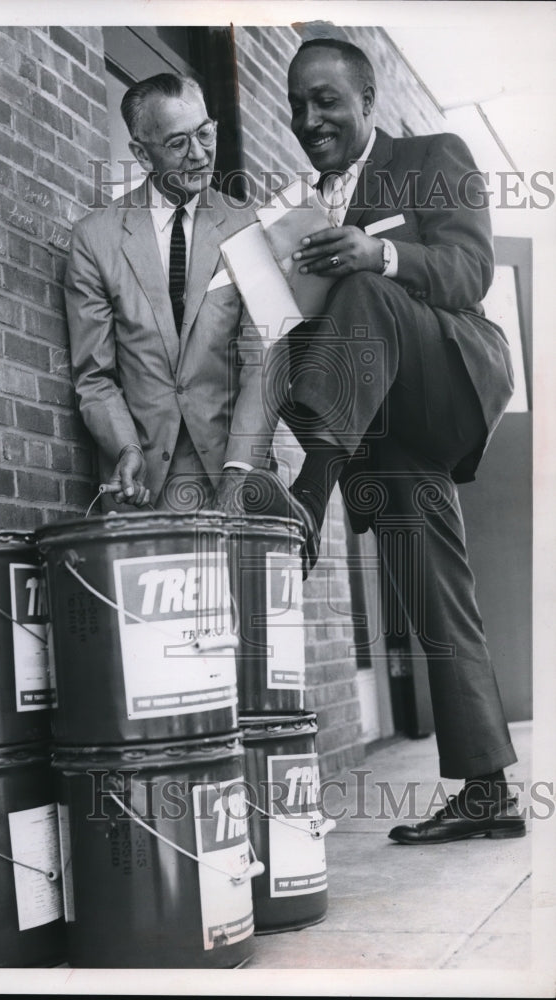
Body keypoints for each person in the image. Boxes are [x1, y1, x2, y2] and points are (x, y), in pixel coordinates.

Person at [244, 38, 526, 844]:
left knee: (363, 286)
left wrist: (380, 251)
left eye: (326, 99)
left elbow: (470, 272)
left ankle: (312, 494)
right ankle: (485, 790)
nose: (309, 118)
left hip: (449, 375)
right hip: (381, 421)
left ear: (367, 97)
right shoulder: (306, 204)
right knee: (432, 587)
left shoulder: (432, 155)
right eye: (297, 105)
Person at [65, 73, 272, 514]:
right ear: (141, 153)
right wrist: (125, 449)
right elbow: (95, 375)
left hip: (234, 472)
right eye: (178, 144)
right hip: (141, 488)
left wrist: (240, 470)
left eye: (205, 133)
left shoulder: (251, 226)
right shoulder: (94, 239)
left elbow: (265, 358)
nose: (199, 155)